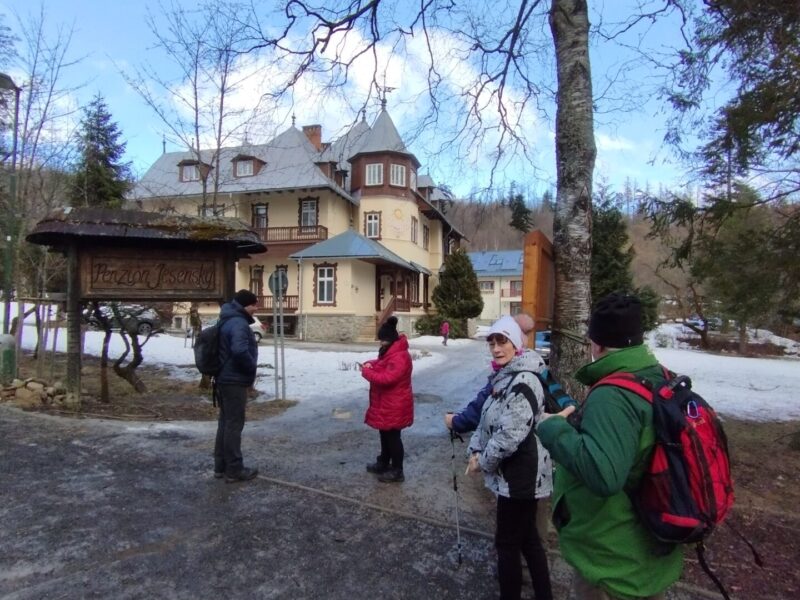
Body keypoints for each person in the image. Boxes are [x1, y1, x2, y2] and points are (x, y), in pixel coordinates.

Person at [536, 293, 683, 600]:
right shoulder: (656, 376)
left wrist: (553, 428)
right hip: (647, 547)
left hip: (614, 563)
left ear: (597, 344)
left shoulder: (612, 395)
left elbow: (604, 475)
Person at [466, 315, 553, 600]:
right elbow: (486, 420)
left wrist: (483, 462)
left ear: (516, 344)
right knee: (528, 540)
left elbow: (508, 436)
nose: (495, 348)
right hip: (513, 474)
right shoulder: (503, 377)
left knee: (507, 544)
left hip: (521, 476)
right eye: (491, 342)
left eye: (502, 341)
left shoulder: (525, 380)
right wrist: (474, 448)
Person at [213, 289, 260, 483]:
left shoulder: (226, 319)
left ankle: (220, 467)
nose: (256, 309)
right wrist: (250, 368)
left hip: (223, 378)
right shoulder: (239, 323)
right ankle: (234, 469)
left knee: (225, 423)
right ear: (245, 305)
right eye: (254, 305)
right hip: (234, 380)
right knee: (233, 424)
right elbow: (239, 350)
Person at [360, 316, 414, 483]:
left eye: (382, 340)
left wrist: (367, 372)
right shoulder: (390, 352)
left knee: (393, 438)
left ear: (390, 339)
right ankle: (383, 462)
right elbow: (382, 364)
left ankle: (397, 470)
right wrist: (370, 364)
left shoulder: (400, 357)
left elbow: (387, 378)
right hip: (387, 403)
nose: (380, 343)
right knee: (384, 433)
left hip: (395, 404)